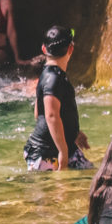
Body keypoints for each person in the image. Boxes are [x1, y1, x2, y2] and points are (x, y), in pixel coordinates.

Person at [24, 27, 92, 171]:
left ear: (44, 49)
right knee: (51, 191)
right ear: (71, 49)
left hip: (58, 147)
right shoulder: (53, 78)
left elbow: (38, 113)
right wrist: (62, 151)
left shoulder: (48, 75)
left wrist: (73, 132)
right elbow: (51, 115)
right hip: (46, 152)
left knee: (89, 174)